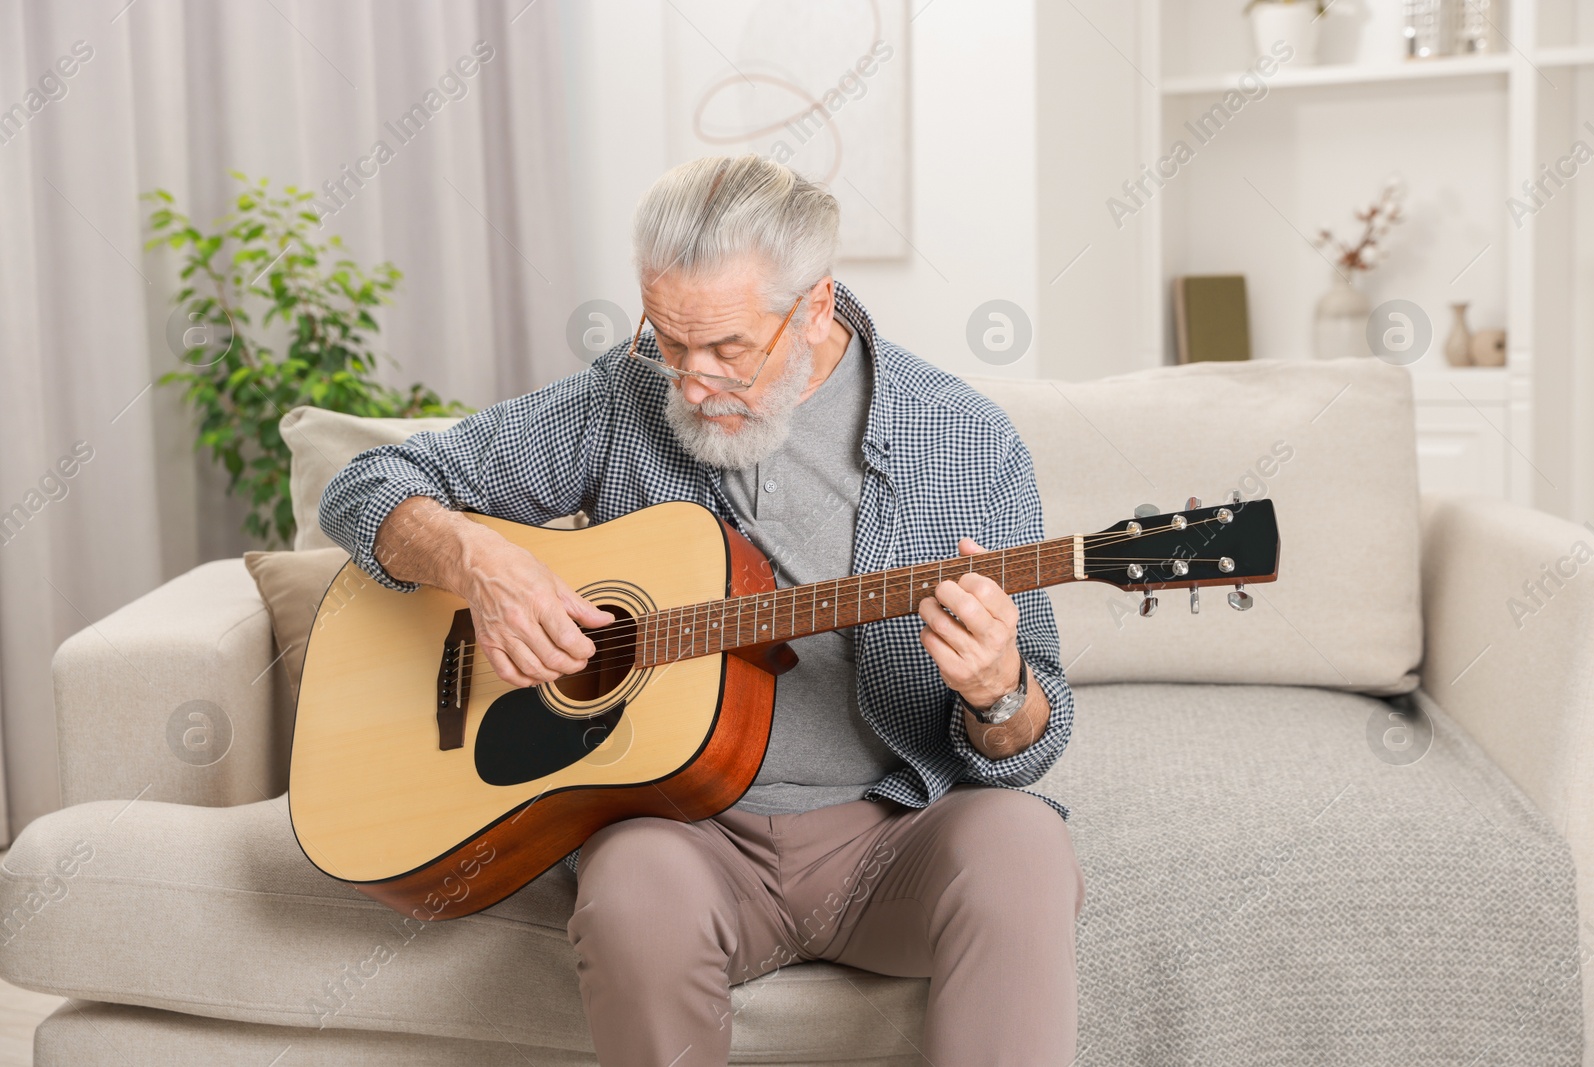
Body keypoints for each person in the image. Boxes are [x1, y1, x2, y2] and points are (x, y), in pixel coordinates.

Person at [321, 154, 1084, 1066]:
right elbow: (368, 485)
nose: (689, 383)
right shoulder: (624, 394)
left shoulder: (964, 441)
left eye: (726, 349)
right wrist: (475, 557)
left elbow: (1033, 737)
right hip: (682, 835)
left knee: (1025, 844)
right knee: (633, 885)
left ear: (815, 306)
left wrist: (999, 691)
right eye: (671, 340)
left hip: (890, 837)